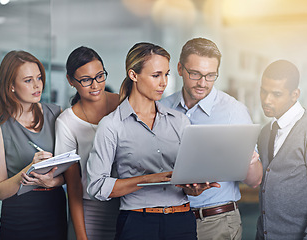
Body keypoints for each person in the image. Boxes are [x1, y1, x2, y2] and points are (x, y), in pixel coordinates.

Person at [86, 42, 220, 240]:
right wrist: (148, 179)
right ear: (133, 75)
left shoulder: (180, 121)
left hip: (181, 221)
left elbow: (187, 178)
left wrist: (195, 188)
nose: (164, 82)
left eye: (166, 74)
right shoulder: (112, 125)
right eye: (156, 75)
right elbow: (97, 187)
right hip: (138, 223)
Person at [161, 37, 262, 240]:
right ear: (180, 68)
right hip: (169, 219)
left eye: (210, 76)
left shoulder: (234, 111)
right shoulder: (161, 108)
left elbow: (255, 180)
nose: (202, 83)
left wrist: (247, 159)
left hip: (217, 222)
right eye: (195, 74)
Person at [0, 50, 67, 240]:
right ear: (11, 85)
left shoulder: (56, 114)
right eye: (28, 80)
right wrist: (31, 168)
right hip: (20, 217)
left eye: (39, 78)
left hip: (54, 211)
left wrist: (53, 181)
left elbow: (71, 173)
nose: (37, 85)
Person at [256, 60, 307, 239]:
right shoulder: (265, 132)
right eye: (264, 91)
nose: (266, 99)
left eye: (276, 94)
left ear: (295, 95)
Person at [55, 46, 120, 240]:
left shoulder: (124, 104)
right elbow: (74, 186)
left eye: (100, 76)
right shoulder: (67, 122)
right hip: (91, 210)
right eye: (85, 80)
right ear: (71, 81)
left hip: (129, 204)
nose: (95, 85)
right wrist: (82, 236)